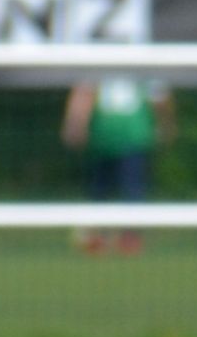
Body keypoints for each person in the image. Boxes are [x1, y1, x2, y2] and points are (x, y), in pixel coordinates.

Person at [63, 75, 171, 256]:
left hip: (131, 139)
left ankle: (128, 238)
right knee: (102, 190)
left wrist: (165, 124)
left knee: (130, 190)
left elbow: (159, 98)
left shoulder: (144, 69)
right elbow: (83, 95)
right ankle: (102, 237)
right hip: (104, 138)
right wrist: (76, 124)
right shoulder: (98, 67)